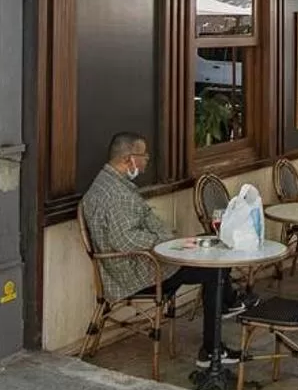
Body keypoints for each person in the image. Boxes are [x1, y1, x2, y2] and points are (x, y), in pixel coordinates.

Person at [80, 132, 250, 369]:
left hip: (143, 261)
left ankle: (228, 302)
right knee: (215, 271)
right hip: (137, 273)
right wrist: (165, 240)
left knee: (210, 244)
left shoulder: (110, 183)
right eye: (144, 156)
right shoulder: (113, 195)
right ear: (129, 158)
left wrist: (172, 240)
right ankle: (212, 351)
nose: (147, 160)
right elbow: (126, 241)